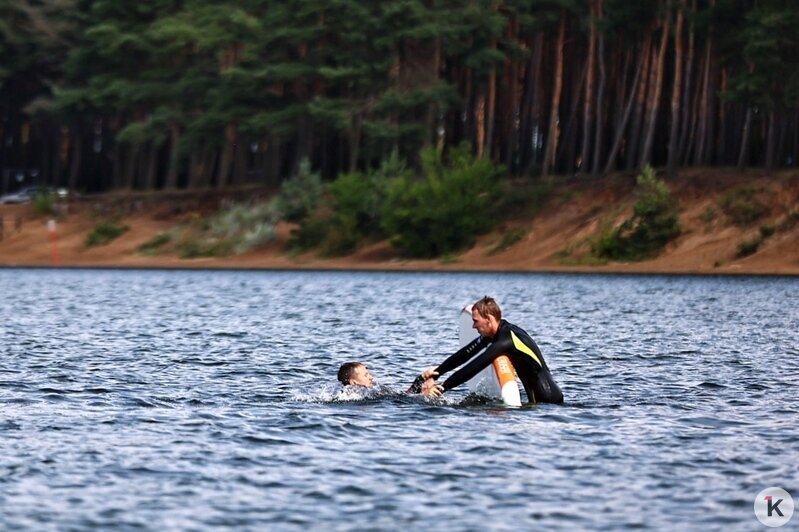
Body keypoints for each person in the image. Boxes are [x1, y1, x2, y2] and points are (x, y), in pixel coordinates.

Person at [421, 296, 563, 404]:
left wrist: (442, 388)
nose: (473, 326)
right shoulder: (495, 333)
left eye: (476, 321)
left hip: (548, 401)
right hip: (537, 400)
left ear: (489, 319)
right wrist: (438, 372)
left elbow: (476, 365)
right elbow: (465, 354)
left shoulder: (506, 340)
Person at [337, 361, 438, 396]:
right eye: (366, 375)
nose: (371, 377)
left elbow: (403, 397)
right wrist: (423, 395)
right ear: (353, 382)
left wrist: (422, 378)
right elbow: (402, 401)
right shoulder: (362, 394)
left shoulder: (370, 392)